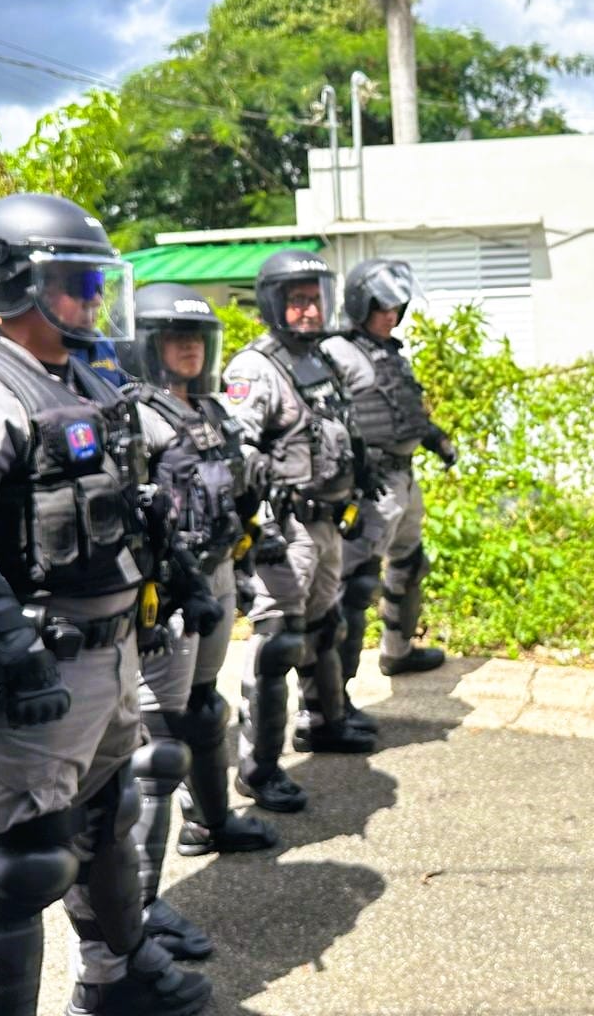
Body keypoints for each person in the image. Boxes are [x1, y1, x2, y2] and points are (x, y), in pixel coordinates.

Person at [0, 193, 209, 1016]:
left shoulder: (86, 382)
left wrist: (177, 586)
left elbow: (134, 507)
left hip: (112, 653)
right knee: (25, 860)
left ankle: (113, 979)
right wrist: (13, 655)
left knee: (108, 821)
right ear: (15, 286)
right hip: (36, 672)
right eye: (74, 280)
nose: (93, 299)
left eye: (93, 279)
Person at [123, 283, 278, 964]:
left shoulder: (213, 411)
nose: (188, 349)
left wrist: (253, 540)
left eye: (196, 339)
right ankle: (138, 906)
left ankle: (212, 822)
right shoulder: (135, 418)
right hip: (167, 593)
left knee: (205, 710)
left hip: (216, 574)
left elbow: (239, 488)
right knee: (157, 748)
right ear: (146, 344)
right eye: (172, 338)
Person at [223, 249, 376, 813]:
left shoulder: (322, 360)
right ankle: (259, 770)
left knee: (325, 625)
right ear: (273, 304)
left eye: (315, 299)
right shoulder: (256, 368)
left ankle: (325, 720)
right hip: (285, 530)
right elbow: (235, 448)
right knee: (277, 643)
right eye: (297, 300)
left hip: (330, 522)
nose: (310, 311)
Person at [322, 258, 454, 730]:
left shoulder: (391, 351)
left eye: (397, 307)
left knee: (411, 563)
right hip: (370, 484)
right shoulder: (336, 351)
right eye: (382, 306)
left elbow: (402, 410)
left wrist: (434, 437)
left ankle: (397, 652)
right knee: (354, 586)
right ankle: (333, 698)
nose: (391, 315)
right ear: (361, 304)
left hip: (405, 478)